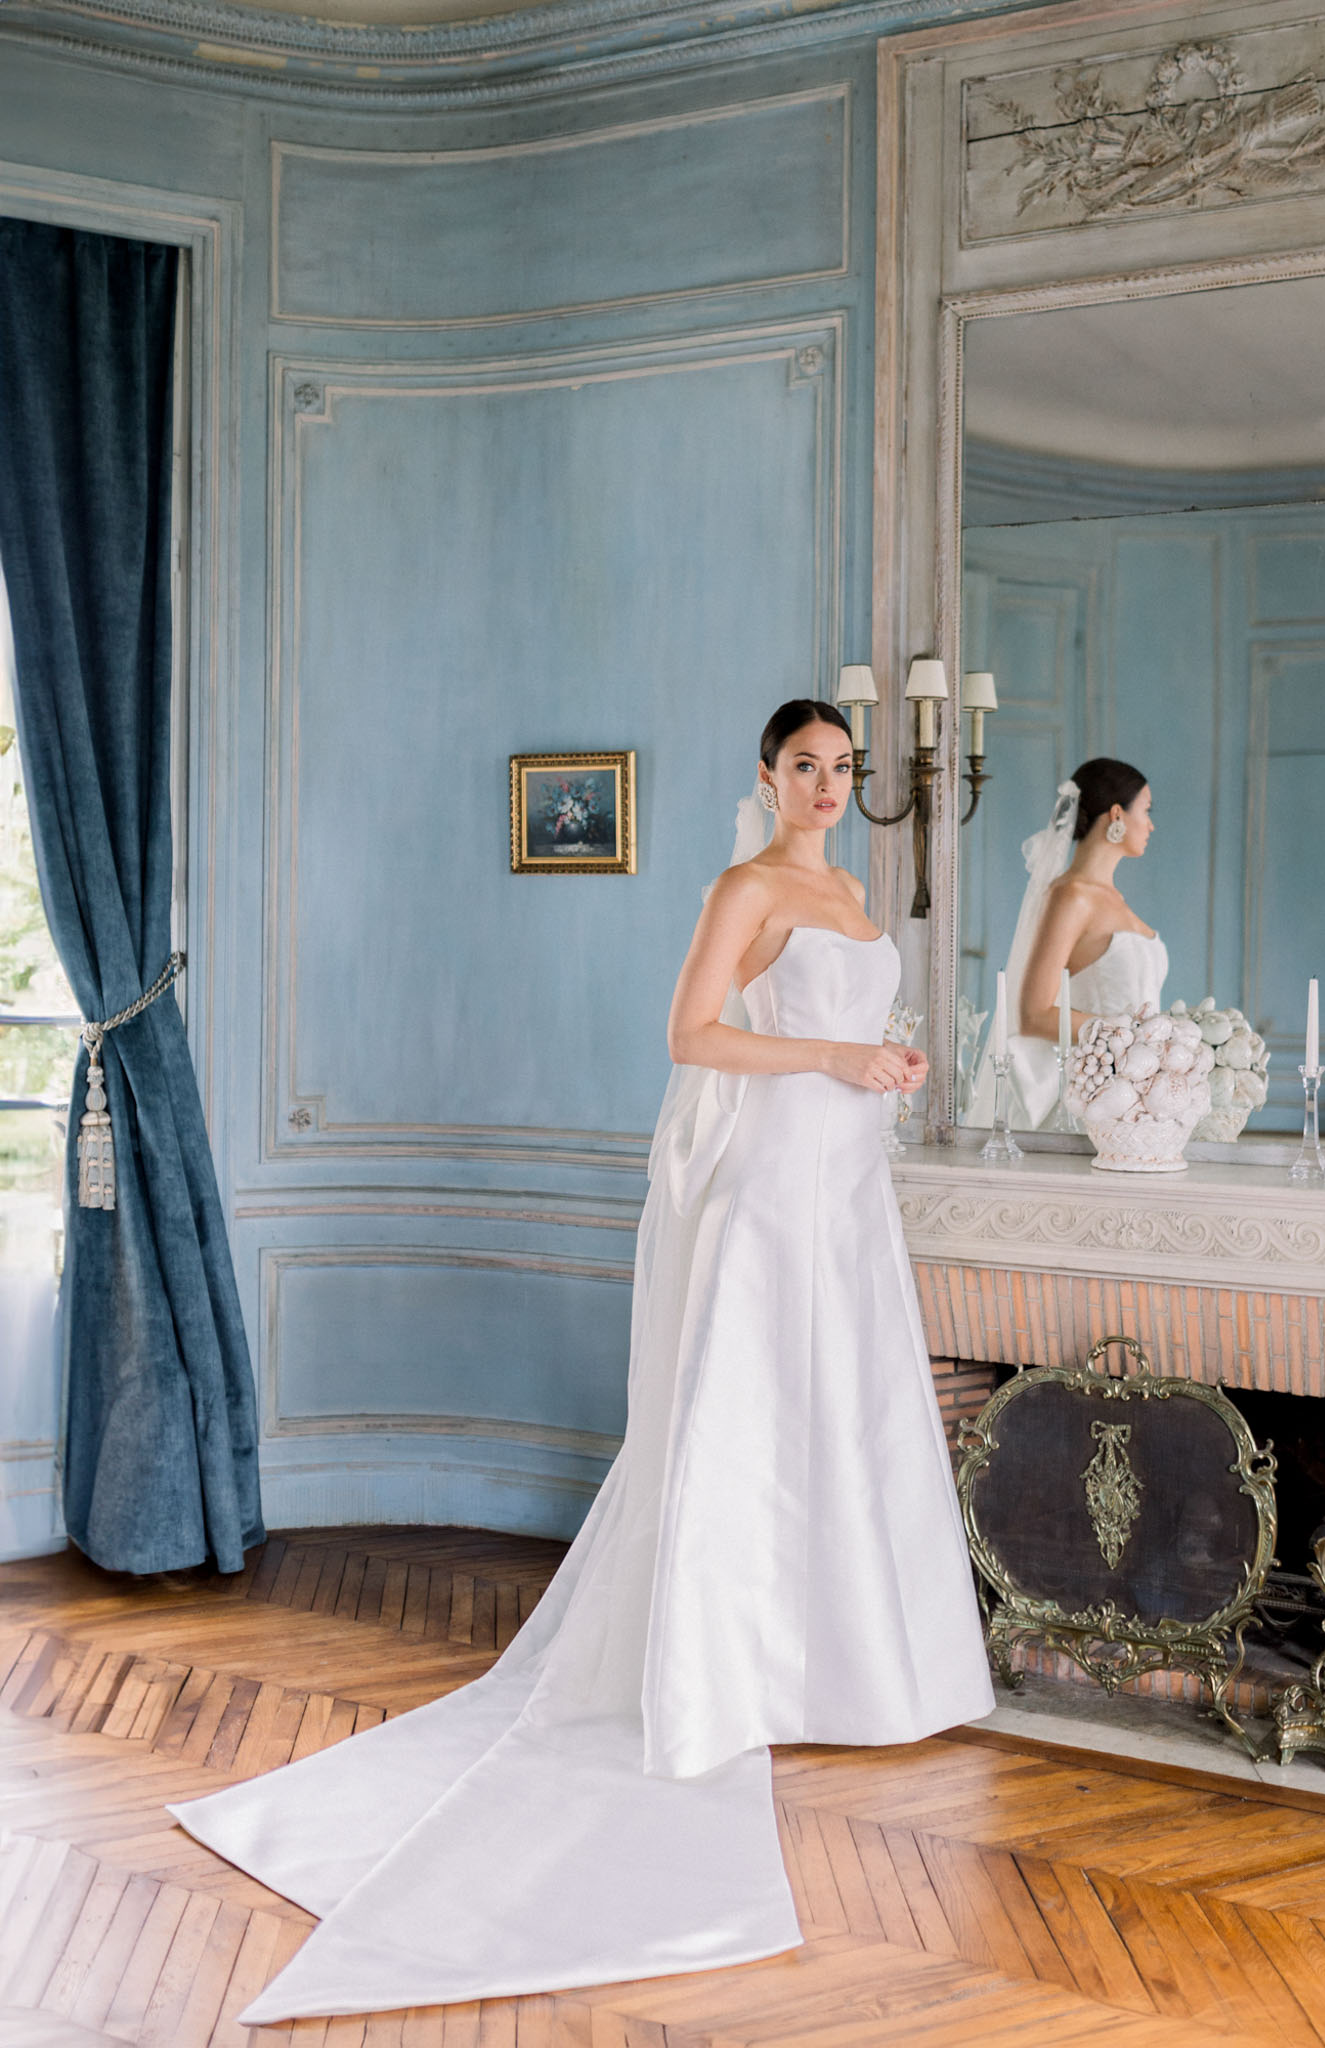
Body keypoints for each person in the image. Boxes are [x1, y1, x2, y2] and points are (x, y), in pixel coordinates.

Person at [168, 699, 995, 2021]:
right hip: (773, 1186)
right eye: (804, 767)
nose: (827, 787)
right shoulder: (748, 884)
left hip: (847, 1187)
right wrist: (840, 1055)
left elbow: (823, 1034)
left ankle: (856, 1667)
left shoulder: (847, 887)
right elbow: (691, 1037)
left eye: (843, 769)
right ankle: (736, 1671)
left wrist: (878, 1065)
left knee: (845, 1419)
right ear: (766, 775)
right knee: (753, 1425)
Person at [967, 758, 1166, 1130]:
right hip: (1095, 1092)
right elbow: (1034, 1013)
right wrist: (1131, 1035)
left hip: (1138, 1088)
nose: (1151, 824)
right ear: (1117, 813)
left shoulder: (1116, 900)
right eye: (1147, 810)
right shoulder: (1071, 896)